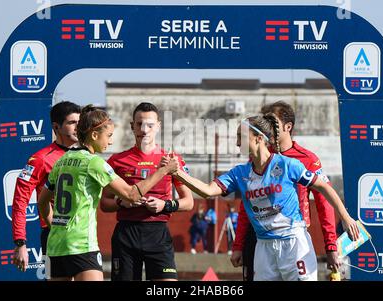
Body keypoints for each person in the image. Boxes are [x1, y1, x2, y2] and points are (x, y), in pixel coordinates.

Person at [167, 113, 359, 280]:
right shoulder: (239, 173)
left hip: (294, 243)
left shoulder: (287, 165)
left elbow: (323, 187)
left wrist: (346, 217)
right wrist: (178, 174)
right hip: (263, 247)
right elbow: (208, 191)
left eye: (241, 136)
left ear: (259, 138)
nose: (236, 143)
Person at [38, 105, 179, 281]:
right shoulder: (94, 163)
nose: (110, 142)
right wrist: (163, 171)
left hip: (56, 245)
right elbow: (132, 194)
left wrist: (53, 225)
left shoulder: (61, 161)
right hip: (82, 245)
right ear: (95, 135)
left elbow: (42, 202)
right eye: (109, 136)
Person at [234, 101, 341, 281]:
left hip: (293, 240)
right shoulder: (257, 158)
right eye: (265, 121)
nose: (268, 126)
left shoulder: (307, 159)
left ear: (288, 127)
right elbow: (247, 205)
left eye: (272, 122)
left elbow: (324, 203)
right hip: (260, 239)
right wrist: (238, 245)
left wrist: (331, 246)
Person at [100, 102, 194, 281]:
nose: (144, 129)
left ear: (158, 126)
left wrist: (165, 205)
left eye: (150, 125)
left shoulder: (172, 160)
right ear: (132, 127)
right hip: (126, 233)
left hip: (158, 233)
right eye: (139, 124)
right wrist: (122, 202)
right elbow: (105, 203)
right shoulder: (117, 160)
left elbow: (188, 202)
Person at [11, 101, 81, 272]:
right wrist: (20, 242)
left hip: (83, 234)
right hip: (53, 235)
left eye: (80, 122)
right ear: (56, 127)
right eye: (72, 123)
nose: (78, 127)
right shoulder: (40, 159)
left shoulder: (88, 156)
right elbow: (20, 201)